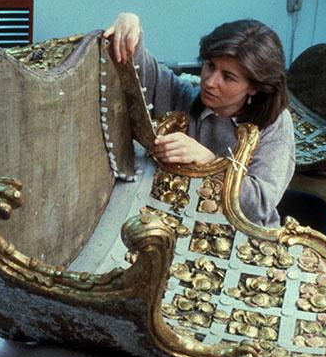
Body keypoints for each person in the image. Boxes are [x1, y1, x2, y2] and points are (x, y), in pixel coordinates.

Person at [104, 13, 294, 226]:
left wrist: (210, 163)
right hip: (183, 222)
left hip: (243, 236)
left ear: (254, 87)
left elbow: (259, 204)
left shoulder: (275, 123)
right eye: (210, 66)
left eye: (228, 77)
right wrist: (130, 23)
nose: (210, 82)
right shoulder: (188, 96)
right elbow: (143, 70)